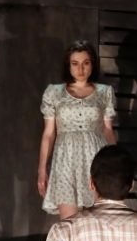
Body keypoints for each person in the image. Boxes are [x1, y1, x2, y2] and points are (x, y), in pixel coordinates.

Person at [37, 39, 118, 219]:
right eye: (75, 63)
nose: (80, 69)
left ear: (92, 64)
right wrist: (42, 169)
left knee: (97, 220)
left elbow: (108, 130)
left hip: (95, 158)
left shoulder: (104, 92)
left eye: (85, 63)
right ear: (68, 65)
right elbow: (49, 134)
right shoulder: (54, 92)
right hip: (65, 160)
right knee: (69, 223)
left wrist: (116, 163)